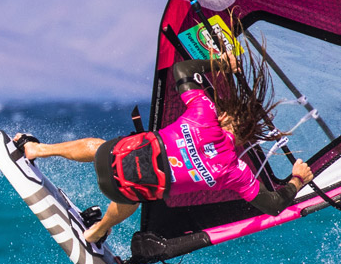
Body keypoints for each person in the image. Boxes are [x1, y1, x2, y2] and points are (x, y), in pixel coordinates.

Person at [17, 47, 314, 244]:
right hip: (121, 191)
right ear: (248, 137)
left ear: (225, 115)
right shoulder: (235, 171)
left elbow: (182, 70)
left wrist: (220, 64)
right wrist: (297, 180)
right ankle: (98, 229)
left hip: (109, 157)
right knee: (136, 194)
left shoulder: (204, 113)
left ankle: (38, 150)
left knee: (100, 146)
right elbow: (275, 206)